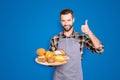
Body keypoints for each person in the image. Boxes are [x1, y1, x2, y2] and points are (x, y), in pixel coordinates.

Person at [50, 9, 104, 80]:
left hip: (76, 77)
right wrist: (46, 59)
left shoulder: (81, 37)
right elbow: (51, 61)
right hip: (59, 78)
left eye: (69, 20)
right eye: (63, 21)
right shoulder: (55, 39)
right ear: (60, 21)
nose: (66, 23)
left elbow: (99, 49)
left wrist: (89, 33)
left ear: (73, 20)